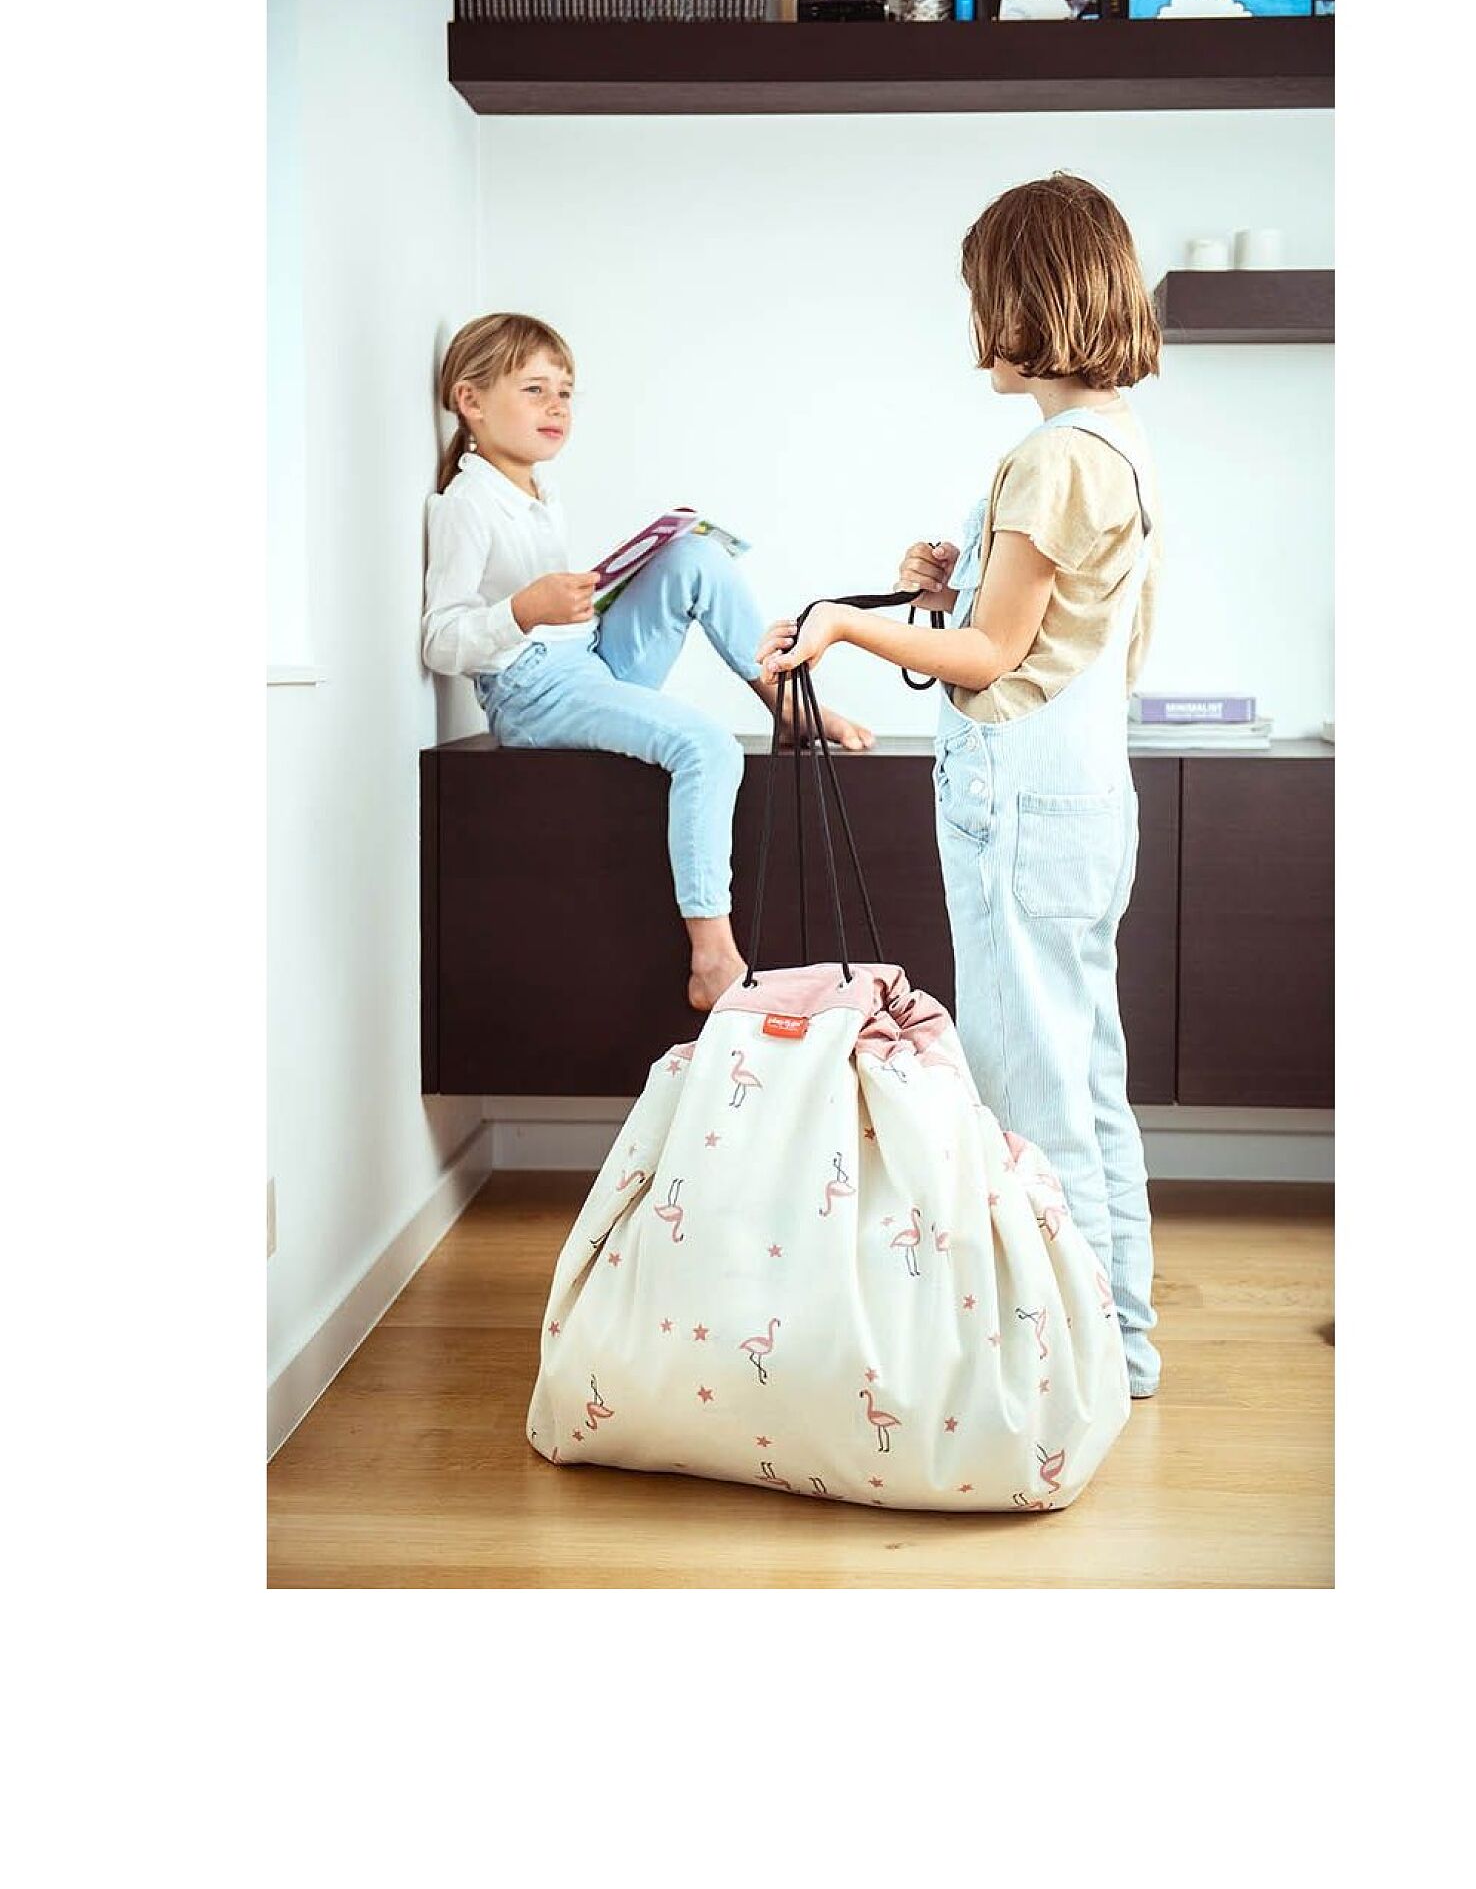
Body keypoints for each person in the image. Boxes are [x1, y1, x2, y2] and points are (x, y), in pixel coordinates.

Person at [756, 173, 1165, 1396]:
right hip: (1084, 801)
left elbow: (989, 662)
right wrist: (951, 582)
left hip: (1021, 812)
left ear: (1025, 300)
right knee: (1086, 1077)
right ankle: (1122, 1340)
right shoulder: (1115, 447)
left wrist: (846, 626)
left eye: (982, 296)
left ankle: (1070, 1361)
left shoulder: (1046, 459)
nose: (974, 323)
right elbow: (1041, 633)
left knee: (1030, 1095)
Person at [422, 312, 873, 1013]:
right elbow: (439, 639)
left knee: (695, 555)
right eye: (536, 389)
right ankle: (713, 955)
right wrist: (526, 610)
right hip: (533, 691)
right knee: (707, 747)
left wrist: (592, 594)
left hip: (585, 660)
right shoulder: (465, 504)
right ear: (470, 400)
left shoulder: (540, 492)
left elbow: (559, 616)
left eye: (566, 392)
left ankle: (780, 698)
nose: (557, 407)